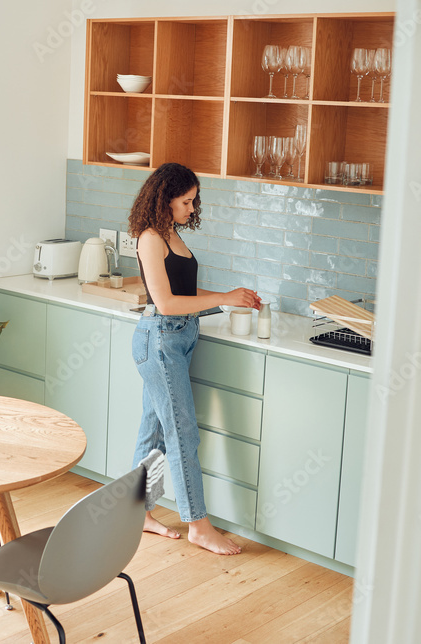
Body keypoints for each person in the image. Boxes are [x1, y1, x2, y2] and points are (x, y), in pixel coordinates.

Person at [128, 163, 261, 555]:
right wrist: (222, 299)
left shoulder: (171, 233)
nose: (191, 208)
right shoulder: (150, 237)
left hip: (180, 339)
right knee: (183, 433)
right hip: (160, 342)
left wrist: (228, 295)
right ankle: (198, 525)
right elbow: (165, 302)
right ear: (164, 198)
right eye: (186, 201)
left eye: (193, 201)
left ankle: (136, 514)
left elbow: (182, 287)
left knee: (152, 432)